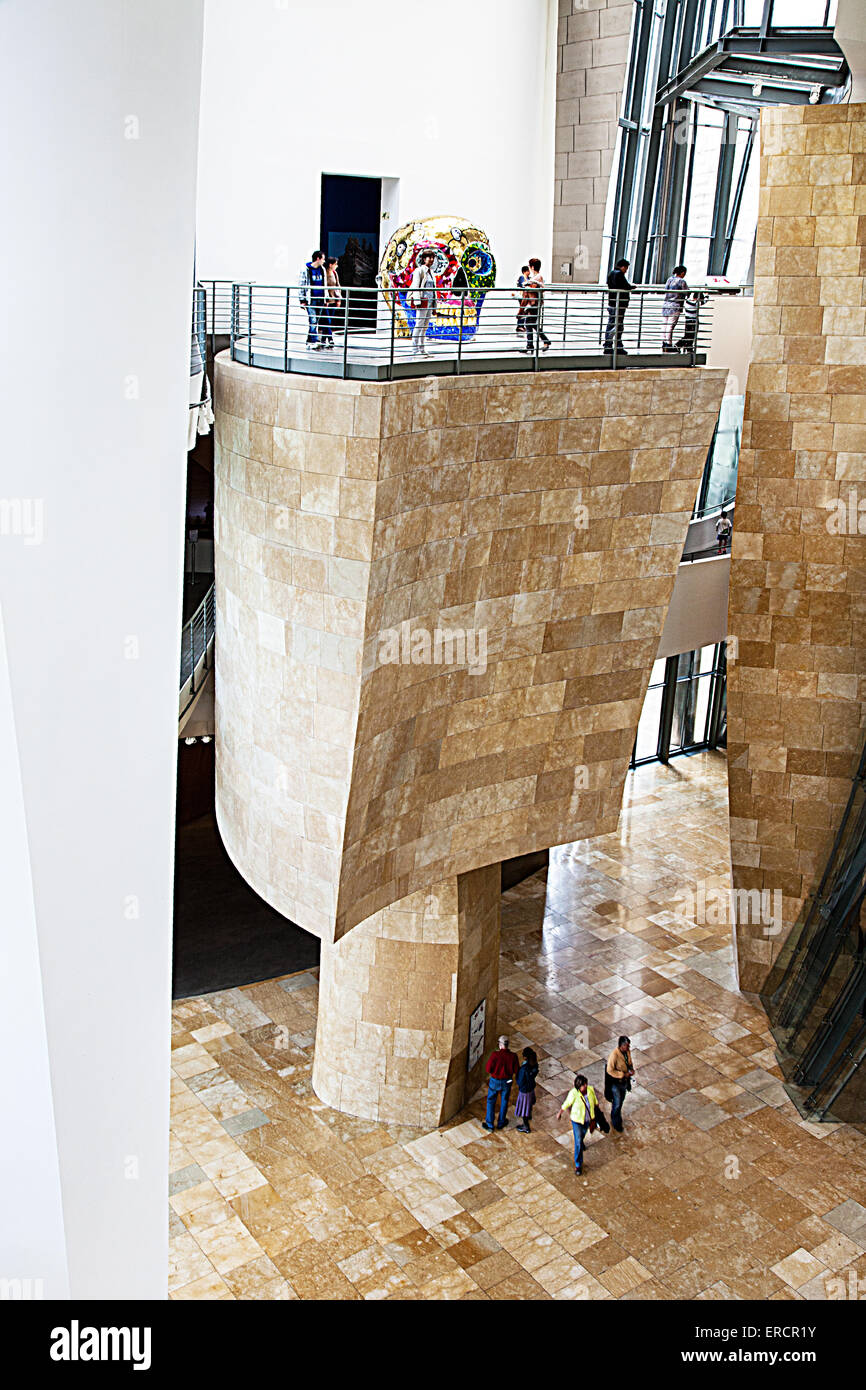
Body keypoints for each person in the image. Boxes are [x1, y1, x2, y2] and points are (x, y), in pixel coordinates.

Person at [558, 1073, 601, 1175]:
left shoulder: (590, 1090)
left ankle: (581, 1142)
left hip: (587, 1119)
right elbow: (567, 1103)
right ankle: (578, 1165)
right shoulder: (574, 1093)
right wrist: (560, 1112)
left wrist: (597, 1112)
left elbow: (594, 1101)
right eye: (583, 1085)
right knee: (577, 1141)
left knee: (582, 1135)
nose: (585, 1086)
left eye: (585, 1084)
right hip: (577, 1120)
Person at [483, 1034, 519, 1131]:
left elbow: (488, 1069)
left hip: (495, 1081)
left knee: (491, 1101)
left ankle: (490, 1124)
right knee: (504, 1101)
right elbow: (516, 1070)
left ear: (500, 1044)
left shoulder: (495, 1055)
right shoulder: (513, 1056)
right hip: (507, 1081)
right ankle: (501, 1122)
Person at [409, 248, 437, 357]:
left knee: (425, 326)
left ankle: (422, 348)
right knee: (419, 324)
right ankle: (414, 349)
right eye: (429, 257)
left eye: (432, 258)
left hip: (429, 302)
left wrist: (434, 304)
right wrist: (417, 301)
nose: (431, 260)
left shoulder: (431, 273)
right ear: (424, 259)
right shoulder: (419, 271)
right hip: (422, 301)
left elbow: (434, 290)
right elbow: (416, 286)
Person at [605, 1035, 635, 1133]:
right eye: (627, 1046)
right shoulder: (614, 1055)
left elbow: (629, 1063)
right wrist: (621, 1074)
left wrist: (631, 1069)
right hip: (616, 1083)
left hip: (625, 1082)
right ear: (621, 1046)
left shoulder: (627, 1052)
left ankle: (617, 1115)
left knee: (621, 1100)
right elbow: (609, 1070)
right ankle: (616, 1121)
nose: (628, 1048)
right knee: (617, 1102)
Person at [299, 249, 328, 351]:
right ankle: (314, 341)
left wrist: (326, 299)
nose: (324, 261)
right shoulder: (306, 270)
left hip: (320, 299)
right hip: (311, 300)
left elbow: (325, 285)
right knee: (313, 320)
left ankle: (309, 340)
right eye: (323, 259)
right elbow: (302, 285)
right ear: (318, 258)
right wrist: (302, 300)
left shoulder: (322, 269)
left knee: (316, 321)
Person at [520, 257, 550, 355]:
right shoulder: (537, 278)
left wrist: (527, 285)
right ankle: (542, 342)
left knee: (529, 323)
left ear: (532, 267)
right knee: (531, 323)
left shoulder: (537, 278)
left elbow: (535, 288)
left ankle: (531, 345)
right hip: (535, 305)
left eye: (529, 266)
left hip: (534, 305)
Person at [603, 258, 632, 355]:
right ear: (623, 267)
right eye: (626, 268)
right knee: (616, 325)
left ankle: (610, 344)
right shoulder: (619, 274)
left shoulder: (611, 273)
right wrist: (631, 287)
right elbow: (625, 286)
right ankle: (613, 345)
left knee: (614, 324)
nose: (626, 271)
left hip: (613, 302)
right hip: (618, 303)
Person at [662, 264, 688, 351]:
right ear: (682, 273)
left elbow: (665, 290)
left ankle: (664, 342)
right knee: (671, 326)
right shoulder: (681, 281)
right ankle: (669, 344)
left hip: (666, 304)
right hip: (675, 305)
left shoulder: (669, 279)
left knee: (665, 325)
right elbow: (687, 292)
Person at [514, 1047, 539, 1132]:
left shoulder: (524, 1069)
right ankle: (529, 1115)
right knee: (529, 1105)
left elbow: (520, 1081)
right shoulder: (534, 1064)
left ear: (525, 1057)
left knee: (524, 1109)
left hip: (524, 1091)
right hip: (530, 1089)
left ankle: (526, 1126)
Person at [321, 256, 341, 350]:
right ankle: (330, 338)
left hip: (333, 300)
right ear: (330, 264)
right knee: (327, 321)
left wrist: (338, 300)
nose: (337, 266)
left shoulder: (335, 273)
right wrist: (326, 300)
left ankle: (323, 339)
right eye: (335, 264)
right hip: (326, 301)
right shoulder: (324, 273)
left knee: (328, 321)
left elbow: (337, 286)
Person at [515, 264, 529, 334]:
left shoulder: (528, 278)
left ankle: (522, 325)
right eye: (528, 271)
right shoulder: (522, 277)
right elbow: (522, 285)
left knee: (524, 310)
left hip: (526, 296)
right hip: (522, 296)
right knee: (522, 310)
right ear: (525, 271)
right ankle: (520, 325)